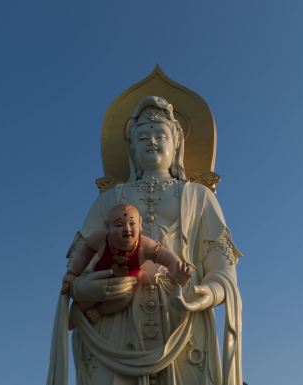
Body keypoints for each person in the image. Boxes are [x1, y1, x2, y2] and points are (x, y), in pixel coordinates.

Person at [47, 96, 242, 385]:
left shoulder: (199, 196)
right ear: (131, 147)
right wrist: (81, 286)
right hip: (114, 322)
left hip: (180, 319)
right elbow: (81, 258)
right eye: (142, 137)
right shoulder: (108, 199)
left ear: (176, 142)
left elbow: (223, 265)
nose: (152, 142)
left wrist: (208, 292)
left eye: (160, 134)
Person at [61, 203, 191, 323]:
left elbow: (166, 257)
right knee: (84, 304)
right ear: (108, 227)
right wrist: (73, 273)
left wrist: (176, 270)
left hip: (125, 286)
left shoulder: (144, 245)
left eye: (132, 223)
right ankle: (70, 321)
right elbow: (85, 252)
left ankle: (100, 311)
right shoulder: (100, 239)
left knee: (124, 299)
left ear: (140, 224)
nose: (127, 229)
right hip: (99, 280)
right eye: (119, 225)